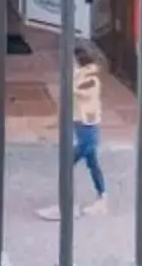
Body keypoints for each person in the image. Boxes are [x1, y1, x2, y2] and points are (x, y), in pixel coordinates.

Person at [40, 44, 108, 220]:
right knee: (93, 164)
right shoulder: (83, 76)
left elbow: (78, 93)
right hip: (84, 127)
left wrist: (70, 78)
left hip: (87, 129)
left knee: (67, 165)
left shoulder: (88, 79)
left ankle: (66, 207)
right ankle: (102, 199)